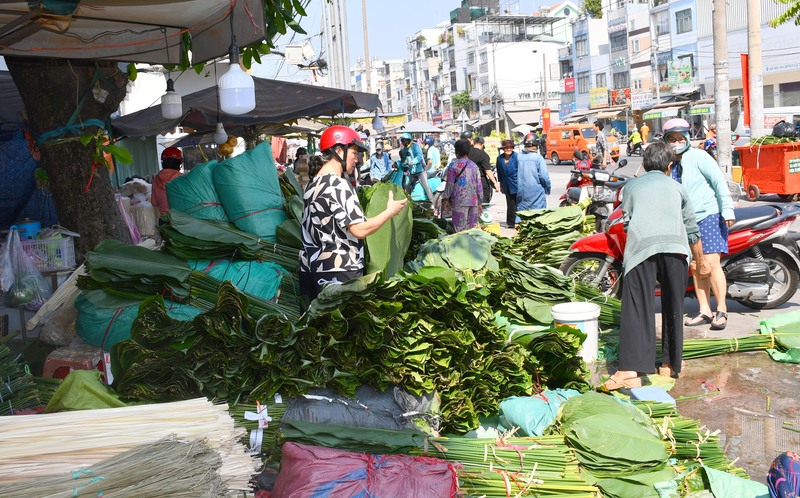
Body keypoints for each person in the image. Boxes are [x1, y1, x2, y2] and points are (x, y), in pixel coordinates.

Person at [603, 142, 708, 390]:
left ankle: (630, 369)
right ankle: (669, 365)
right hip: (676, 251)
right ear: (670, 166)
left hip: (642, 249)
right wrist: (700, 262)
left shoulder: (631, 186)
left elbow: (626, 221)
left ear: (645, 164)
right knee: (673, 306)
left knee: (637, 308)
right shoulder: (677, 187)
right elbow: (692, 228)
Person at [299, 125, 407, 301]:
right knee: (343, 326)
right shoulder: (338, 185)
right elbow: (359, 230)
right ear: (339, 151)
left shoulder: (312, 185)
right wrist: (390, 212)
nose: (357, 159)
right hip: (339, 272)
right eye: (354, 153)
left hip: (310, 269)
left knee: (317, 325)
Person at [664, 118, 735, 331]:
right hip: (685, 220)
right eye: (672, 139)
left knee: (711, 264)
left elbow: (718, 182)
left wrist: (728, 209)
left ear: (687, 137)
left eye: (680, 138)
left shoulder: (699, 156)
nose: (676, 142)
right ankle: (705, 310)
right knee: (696, 265)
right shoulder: (667, 162)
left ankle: (721, 309)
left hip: (708, 215)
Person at [445, 139, 483, 232]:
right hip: (473, 201)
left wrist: (446, 198)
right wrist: (480, 202)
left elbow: (449, 184)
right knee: (472, 229)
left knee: (460, 230)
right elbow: (479, 185)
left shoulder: (454, 165)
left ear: (456, 150)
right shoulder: (474, 165)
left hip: (459, 201)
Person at [515, 132, 551, 211]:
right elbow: (544, 177)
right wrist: (547, 189)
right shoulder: (538, 158)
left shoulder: (518, 157)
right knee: (537, 217)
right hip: (536, 194)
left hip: (521, 193)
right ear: (537, 145)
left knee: (523, 217)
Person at [461, 131, 500, 203]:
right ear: (482, 145)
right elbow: (487, 171)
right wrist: (495, 182)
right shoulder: (483, 154)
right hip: (481, 183)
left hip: (467, 182)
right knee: (482, 207)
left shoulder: (466, 152)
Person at [399, 132, 433, 200]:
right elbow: (405, 159)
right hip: (412, 172)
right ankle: (409, 202)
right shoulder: (404, 149)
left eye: (403, 140)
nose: (402, 142)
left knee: (426, 186)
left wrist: (412, 162)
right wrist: (403, 163)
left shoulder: (415, 146)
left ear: (408, 140)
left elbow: (419, 156)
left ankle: (433, 204)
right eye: (401, 140)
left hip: (420, 171)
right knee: (406, 185)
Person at [151, 147, 183, 216]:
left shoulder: (156, 179)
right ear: (179, 163)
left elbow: (154, 202)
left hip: (164, 219)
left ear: (163, 163)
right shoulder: (183, 178)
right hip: (181, 219)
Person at [495, 139, 519, 229]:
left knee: (517, 203)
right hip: (506, 184)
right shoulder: (500, 158)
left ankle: (518, 221)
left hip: (516, 183)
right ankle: (510, 222)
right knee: (510, 204)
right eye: (506, 147)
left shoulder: (517, 157)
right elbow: (499, 172)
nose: (508, 149)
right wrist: (500, 184)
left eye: (510, 147)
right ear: (503, 149)